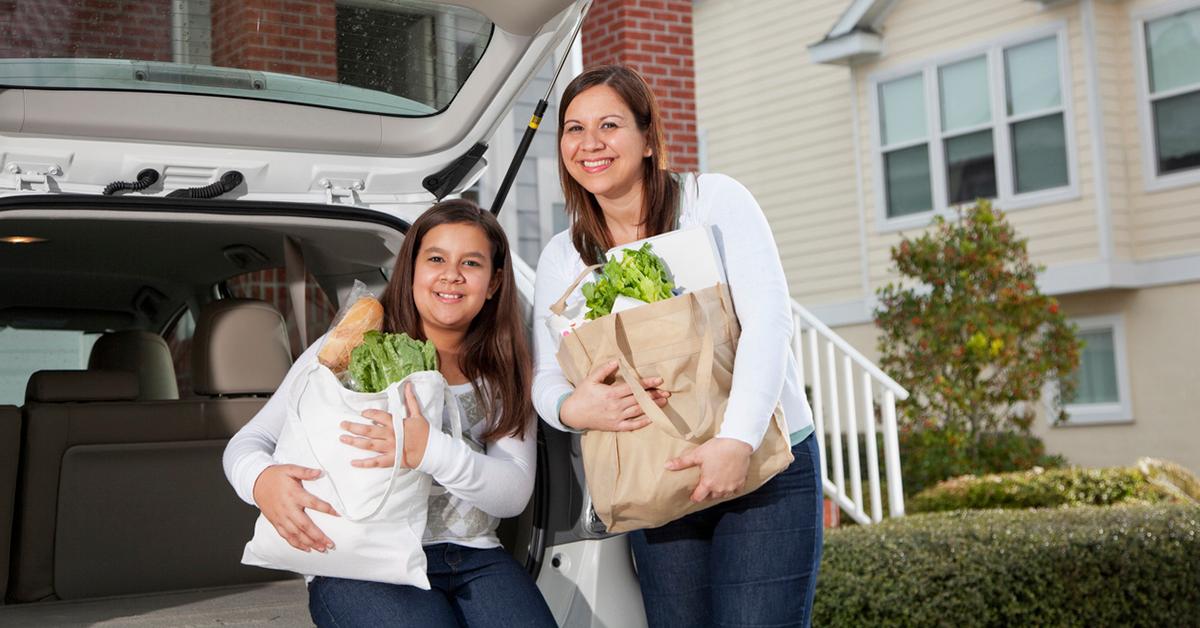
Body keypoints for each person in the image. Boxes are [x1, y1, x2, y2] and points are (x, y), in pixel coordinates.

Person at [532, 64, 823, 627]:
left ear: (646, 137)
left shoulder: (711, 202)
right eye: (573, 129)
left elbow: (769, 322)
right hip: (655, 474)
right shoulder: (563, 256)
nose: (590, 144)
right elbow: (547, 377)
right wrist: (572, 408)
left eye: (609, 125)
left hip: (762, 465)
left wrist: (735, 441)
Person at [224, 199, 556, 628]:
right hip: (358, 562)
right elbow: (248, 443)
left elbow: (511, 494)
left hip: (473, 556)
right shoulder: (351, 344)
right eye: (436, 258)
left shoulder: (504, 369)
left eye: (471, 263)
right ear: (412, 269)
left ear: (493, 282)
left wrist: (428, 451)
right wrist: (261, 480)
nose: (451, 275)